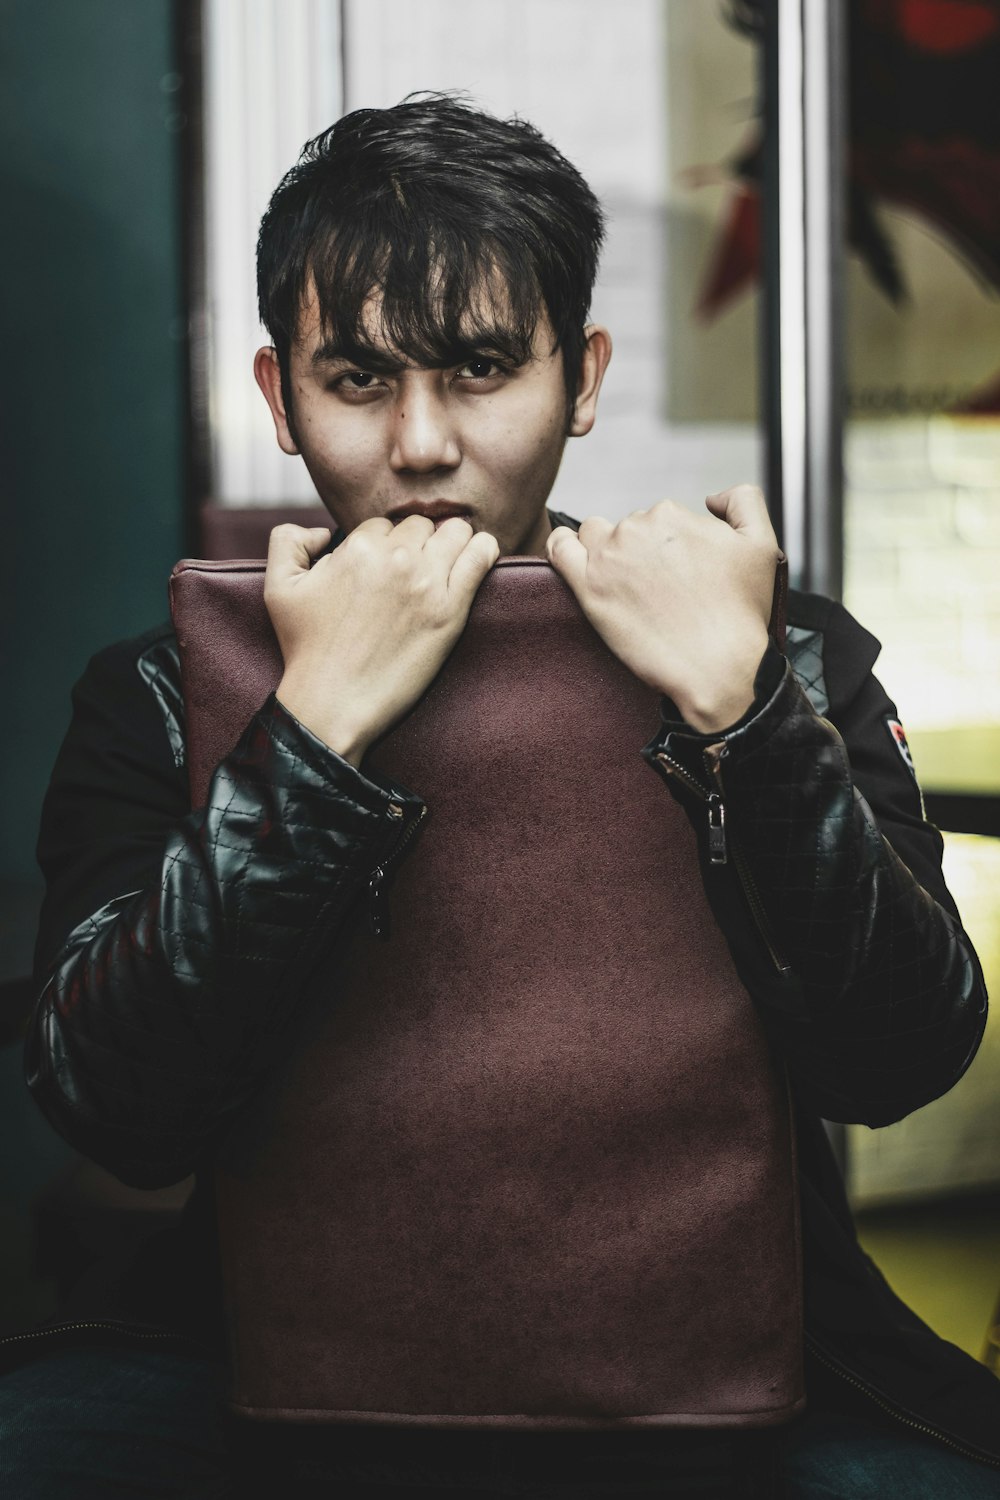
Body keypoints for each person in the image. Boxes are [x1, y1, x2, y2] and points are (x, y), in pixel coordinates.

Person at [2, 94, 998, 1499]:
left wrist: (749, 716)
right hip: (253, 1353)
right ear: (279, 397)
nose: (420, 444)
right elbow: (118, 1109)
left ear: (580, 380)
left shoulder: (771, 646)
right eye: (356, 379)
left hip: (738, 1355)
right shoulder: (164, 686)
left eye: (479, 370)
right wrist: (315, 726)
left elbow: (901, 1061)